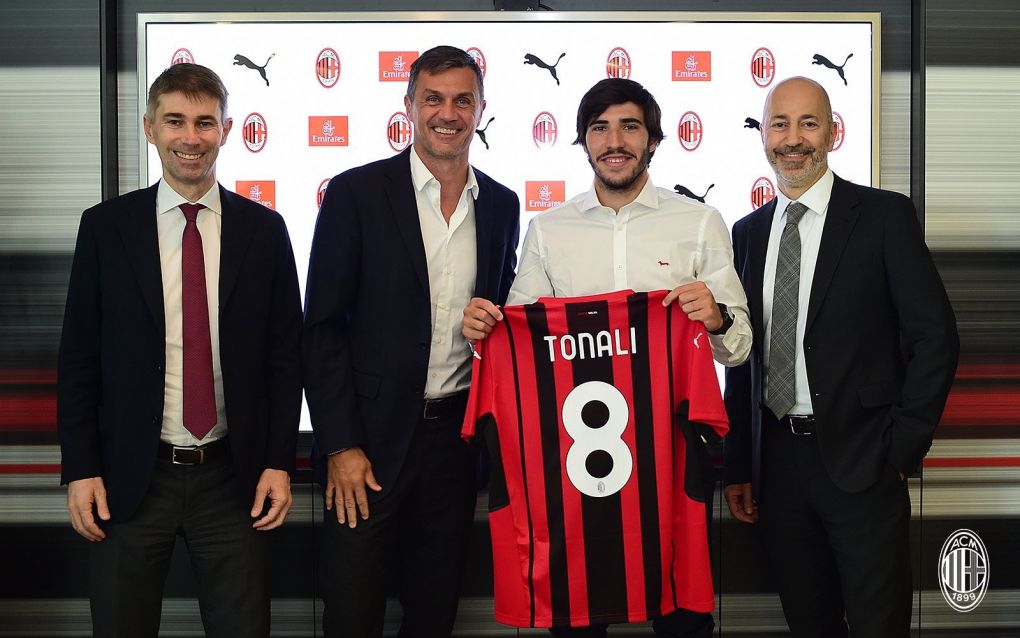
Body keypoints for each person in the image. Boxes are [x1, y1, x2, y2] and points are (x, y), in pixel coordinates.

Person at [463, 78, 750, 638]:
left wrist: (716, 318)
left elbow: (736, 348)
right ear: (583, 140)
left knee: (682, 615)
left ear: (653, 140)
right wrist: (485, 330)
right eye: (599, 128)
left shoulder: (698, 221)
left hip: (670, 457)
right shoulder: (547, 230)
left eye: (629, 126)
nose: (614, 141)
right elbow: (519, 340)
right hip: (571, 468)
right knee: (575, 617)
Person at [57, 63, 302, 637]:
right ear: (150, 127)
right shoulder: (104, 228)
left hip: (232, 480)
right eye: (175, 121)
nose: (190, 137)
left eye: (204, 122)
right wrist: (82, 467)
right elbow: (78, 359)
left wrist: (278, 461)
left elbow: (284, 359)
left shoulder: (265, 232)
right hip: (128, 480)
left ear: (227, 128)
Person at [722, 76, 959, 637]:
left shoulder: (883, 217)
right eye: (779, 124)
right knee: (809, 623)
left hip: (864, 462)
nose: (793, 139)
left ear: (833, 131)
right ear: (763, 136)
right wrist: (738, 462)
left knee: (879, 625)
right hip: (776, 468)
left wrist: (900, 448)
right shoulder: (747, 232)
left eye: (808, 123)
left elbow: (935, 338)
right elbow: (741, 354)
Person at [303, 45, 520, 637]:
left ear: (480, 109)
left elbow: (502, 316)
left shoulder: (502, 204)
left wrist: (491, 326)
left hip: (454, 443)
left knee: (433, 613)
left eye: (462, 100)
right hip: (366, 448)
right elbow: (321, 329)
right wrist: (341, 445)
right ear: (409, 106)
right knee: (352, 614)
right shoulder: (355, 194)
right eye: (433, 98)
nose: (447, 113)